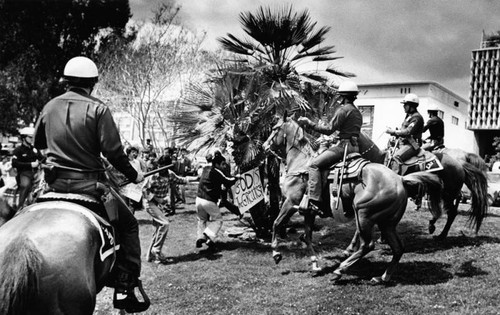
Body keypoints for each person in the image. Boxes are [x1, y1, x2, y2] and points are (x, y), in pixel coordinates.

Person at [33, 56, 149, 313]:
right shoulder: (99, 109)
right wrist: (134, 175)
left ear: (66, 82)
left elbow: (38, 143)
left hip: (52, 186)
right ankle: (124, 287)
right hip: (89, 186)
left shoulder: (50, 106)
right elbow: (114, 152)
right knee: (129, 224)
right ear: (93, 83)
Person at [297, 80, 363, 217]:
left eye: (340, 96)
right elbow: (349, 131)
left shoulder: (343, 110)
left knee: (313, 165)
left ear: (343, 96)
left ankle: (314, 200)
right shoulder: (357, 112)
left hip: (343, 148)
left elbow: (328, 130)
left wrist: (309, 123)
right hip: (355, 148)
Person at [143, 155, 192, 264]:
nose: (161, 168)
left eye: (164, 166)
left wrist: (196, 178)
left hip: (158, 204)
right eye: (160, 166)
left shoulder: (170, 174)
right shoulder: (153, 176)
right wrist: (156, 199)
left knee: (157, 230)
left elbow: (180, 180)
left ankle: (149, 255)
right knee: (165, 224)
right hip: (150, 203)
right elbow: (144, 190)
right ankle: (157, 251)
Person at [195, 153, 241, 250]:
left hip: (198, 199)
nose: (224, 166)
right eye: (223, 164)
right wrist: (237, 178)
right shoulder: (216, 171)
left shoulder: (205, 169)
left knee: (202, 220)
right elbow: (227, 180)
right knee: (218, 220)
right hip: (208, 200)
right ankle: (208, 236)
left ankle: (200, 238)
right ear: (217, 164)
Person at [385, 93, 424, 171]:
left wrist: (393, 131)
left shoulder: (417, 117)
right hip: (404, 143)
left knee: (396, 157)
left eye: (405, 105)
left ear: (411, 106)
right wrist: (395, 134)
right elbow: (402, 130)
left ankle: (395, 179)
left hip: (412, 145)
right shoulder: (409, 116)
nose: (404, 106)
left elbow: (407, 132)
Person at [11, 126, 44, 210]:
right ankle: (20, 208)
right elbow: (14, 163)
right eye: (30, 137)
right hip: (24, 173)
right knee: (26, 185)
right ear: (23, 138)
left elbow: (42, 158)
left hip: (37, 173)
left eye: (32, 137)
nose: (32, 139)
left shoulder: (35, 149)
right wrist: (30, 165)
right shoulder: (18, 150)